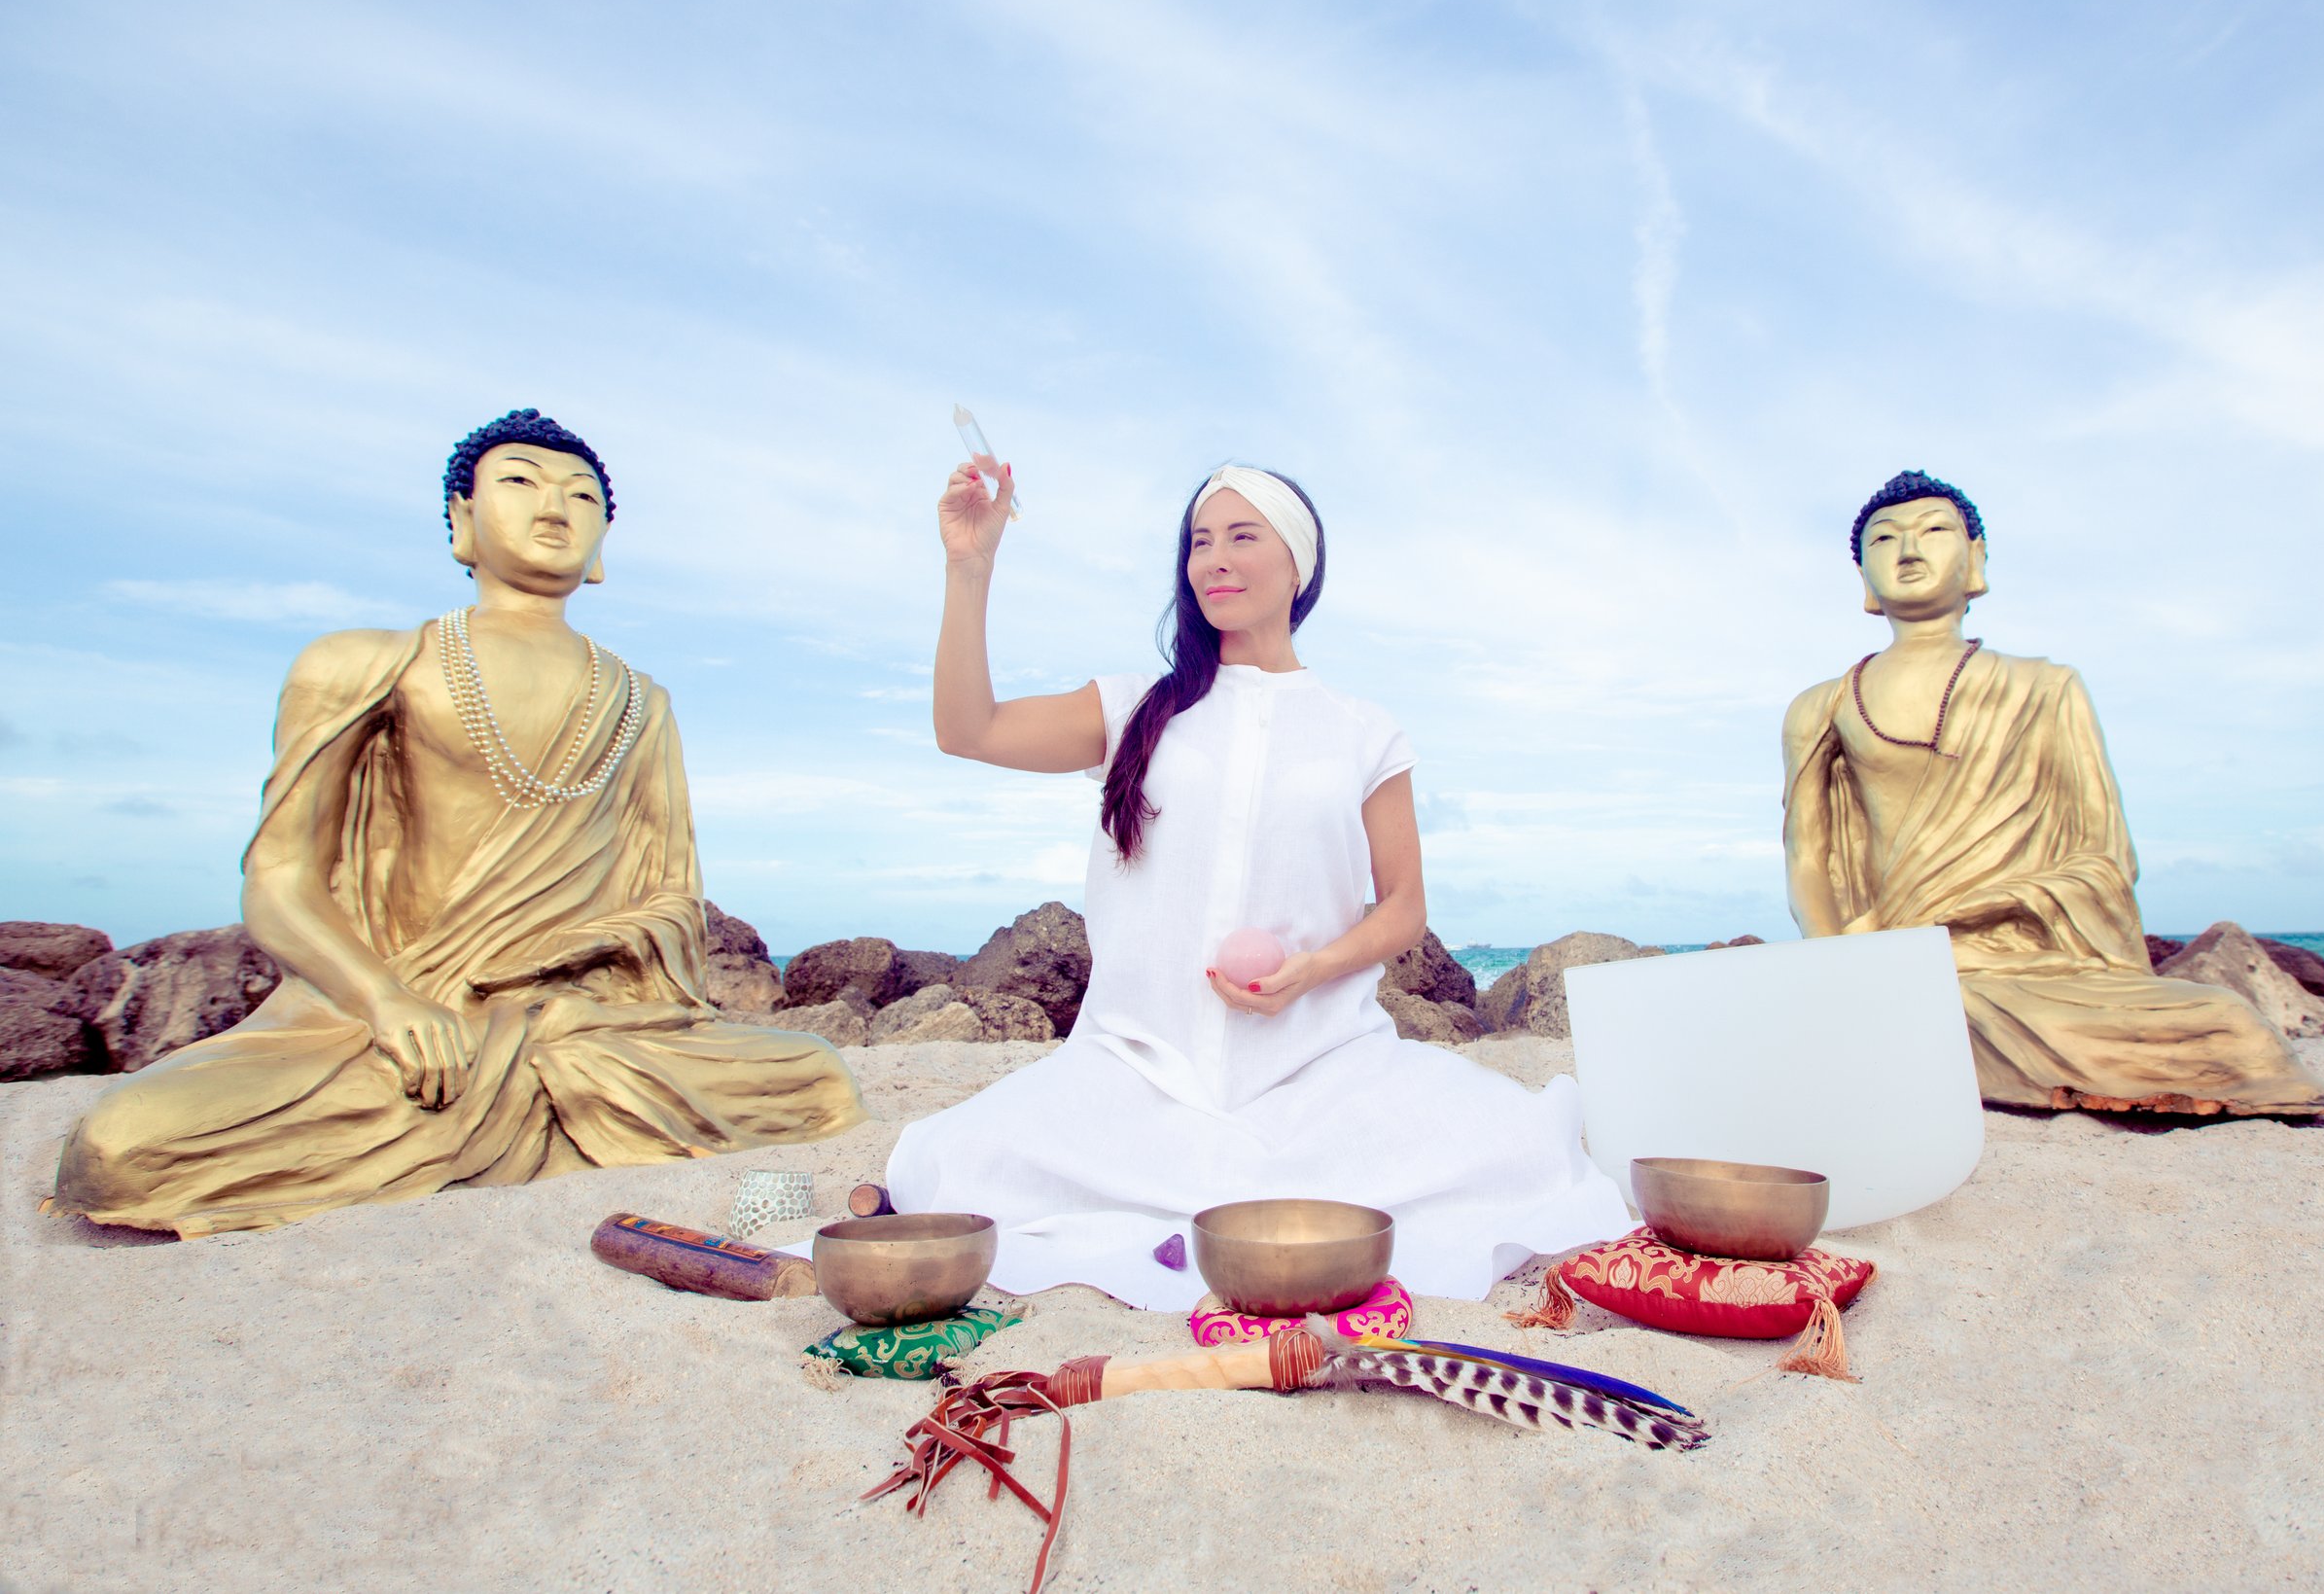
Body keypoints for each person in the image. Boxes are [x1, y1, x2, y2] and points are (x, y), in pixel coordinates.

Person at [49, 409, 868, 1236]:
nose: (554, 508)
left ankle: (525, 1101)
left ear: (602, 545)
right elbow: (280, 880)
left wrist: (589, 947)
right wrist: (386, 1003)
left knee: (817, 1075)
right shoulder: (365, 664)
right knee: (122, 1145)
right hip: (404, 1015)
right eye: (520, 482)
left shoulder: (640, 702)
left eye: (582, 496)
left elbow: (672, 896)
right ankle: (520, 1110)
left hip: (583, 1022)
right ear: (461, 519)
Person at [882, 453, 1626, 1309]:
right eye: (1200, 541)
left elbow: (1404, 908)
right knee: (961, 1156)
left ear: (1298, 564)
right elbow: (967, 729)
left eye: (1242, 536)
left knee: (1519, 1144)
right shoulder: (1133, 707)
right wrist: (969, 566)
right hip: (1136, 1069)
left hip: (1318, 1068)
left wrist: (1312, 969)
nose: (1215, 560)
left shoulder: (1362, 731)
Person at [1780, 470, 2324, 1116]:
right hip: (1893, 958)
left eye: (1933, 531)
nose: (1907, 550)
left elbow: (2104, 858)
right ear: (1863, 577)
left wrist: (1974, 905)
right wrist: (1837, 964)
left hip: (2028, 959)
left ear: (1975, 558)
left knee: (2225, 1020)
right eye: (1883, 539)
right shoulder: (1823, 705)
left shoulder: (2046, 687)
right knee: (1887, 1006)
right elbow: (1808, 855)